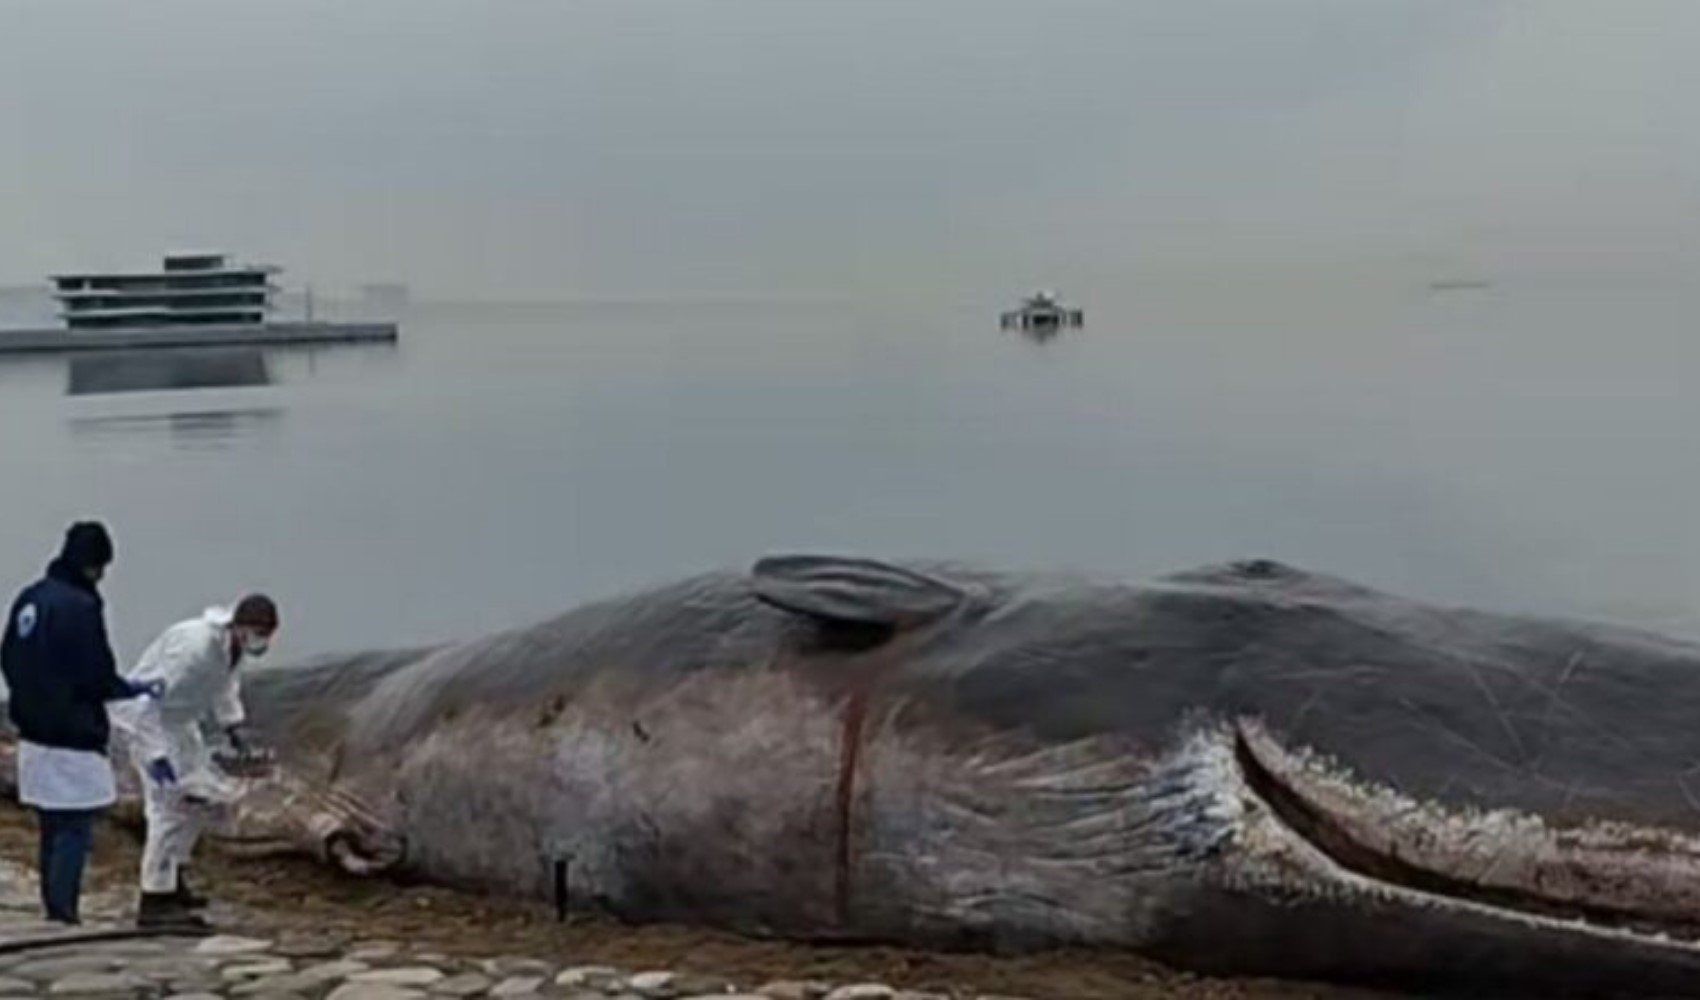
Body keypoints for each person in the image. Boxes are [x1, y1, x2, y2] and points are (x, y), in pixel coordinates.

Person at [0, 522, 161, 925]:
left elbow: (9, 658)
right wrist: (130, 690)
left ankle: (52, 906)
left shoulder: (30, 599)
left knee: (50, 826)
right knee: (75, 827)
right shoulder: (80, 606)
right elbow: (96, 673)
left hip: (33, 730)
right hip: (72, 733)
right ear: (95, 564)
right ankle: (64, 912)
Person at [109, 593, 279, 928]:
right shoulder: (192, 651)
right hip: (148, 722)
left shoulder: (230, 648)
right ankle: (154, 900)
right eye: (259, 633)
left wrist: (234, 727)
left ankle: (175, 877)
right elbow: (146, 702)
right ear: (241, 626)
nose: (261, 643)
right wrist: (155, 756)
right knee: (167, 809)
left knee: (204, 801)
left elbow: (224, 686)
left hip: (181, 724)